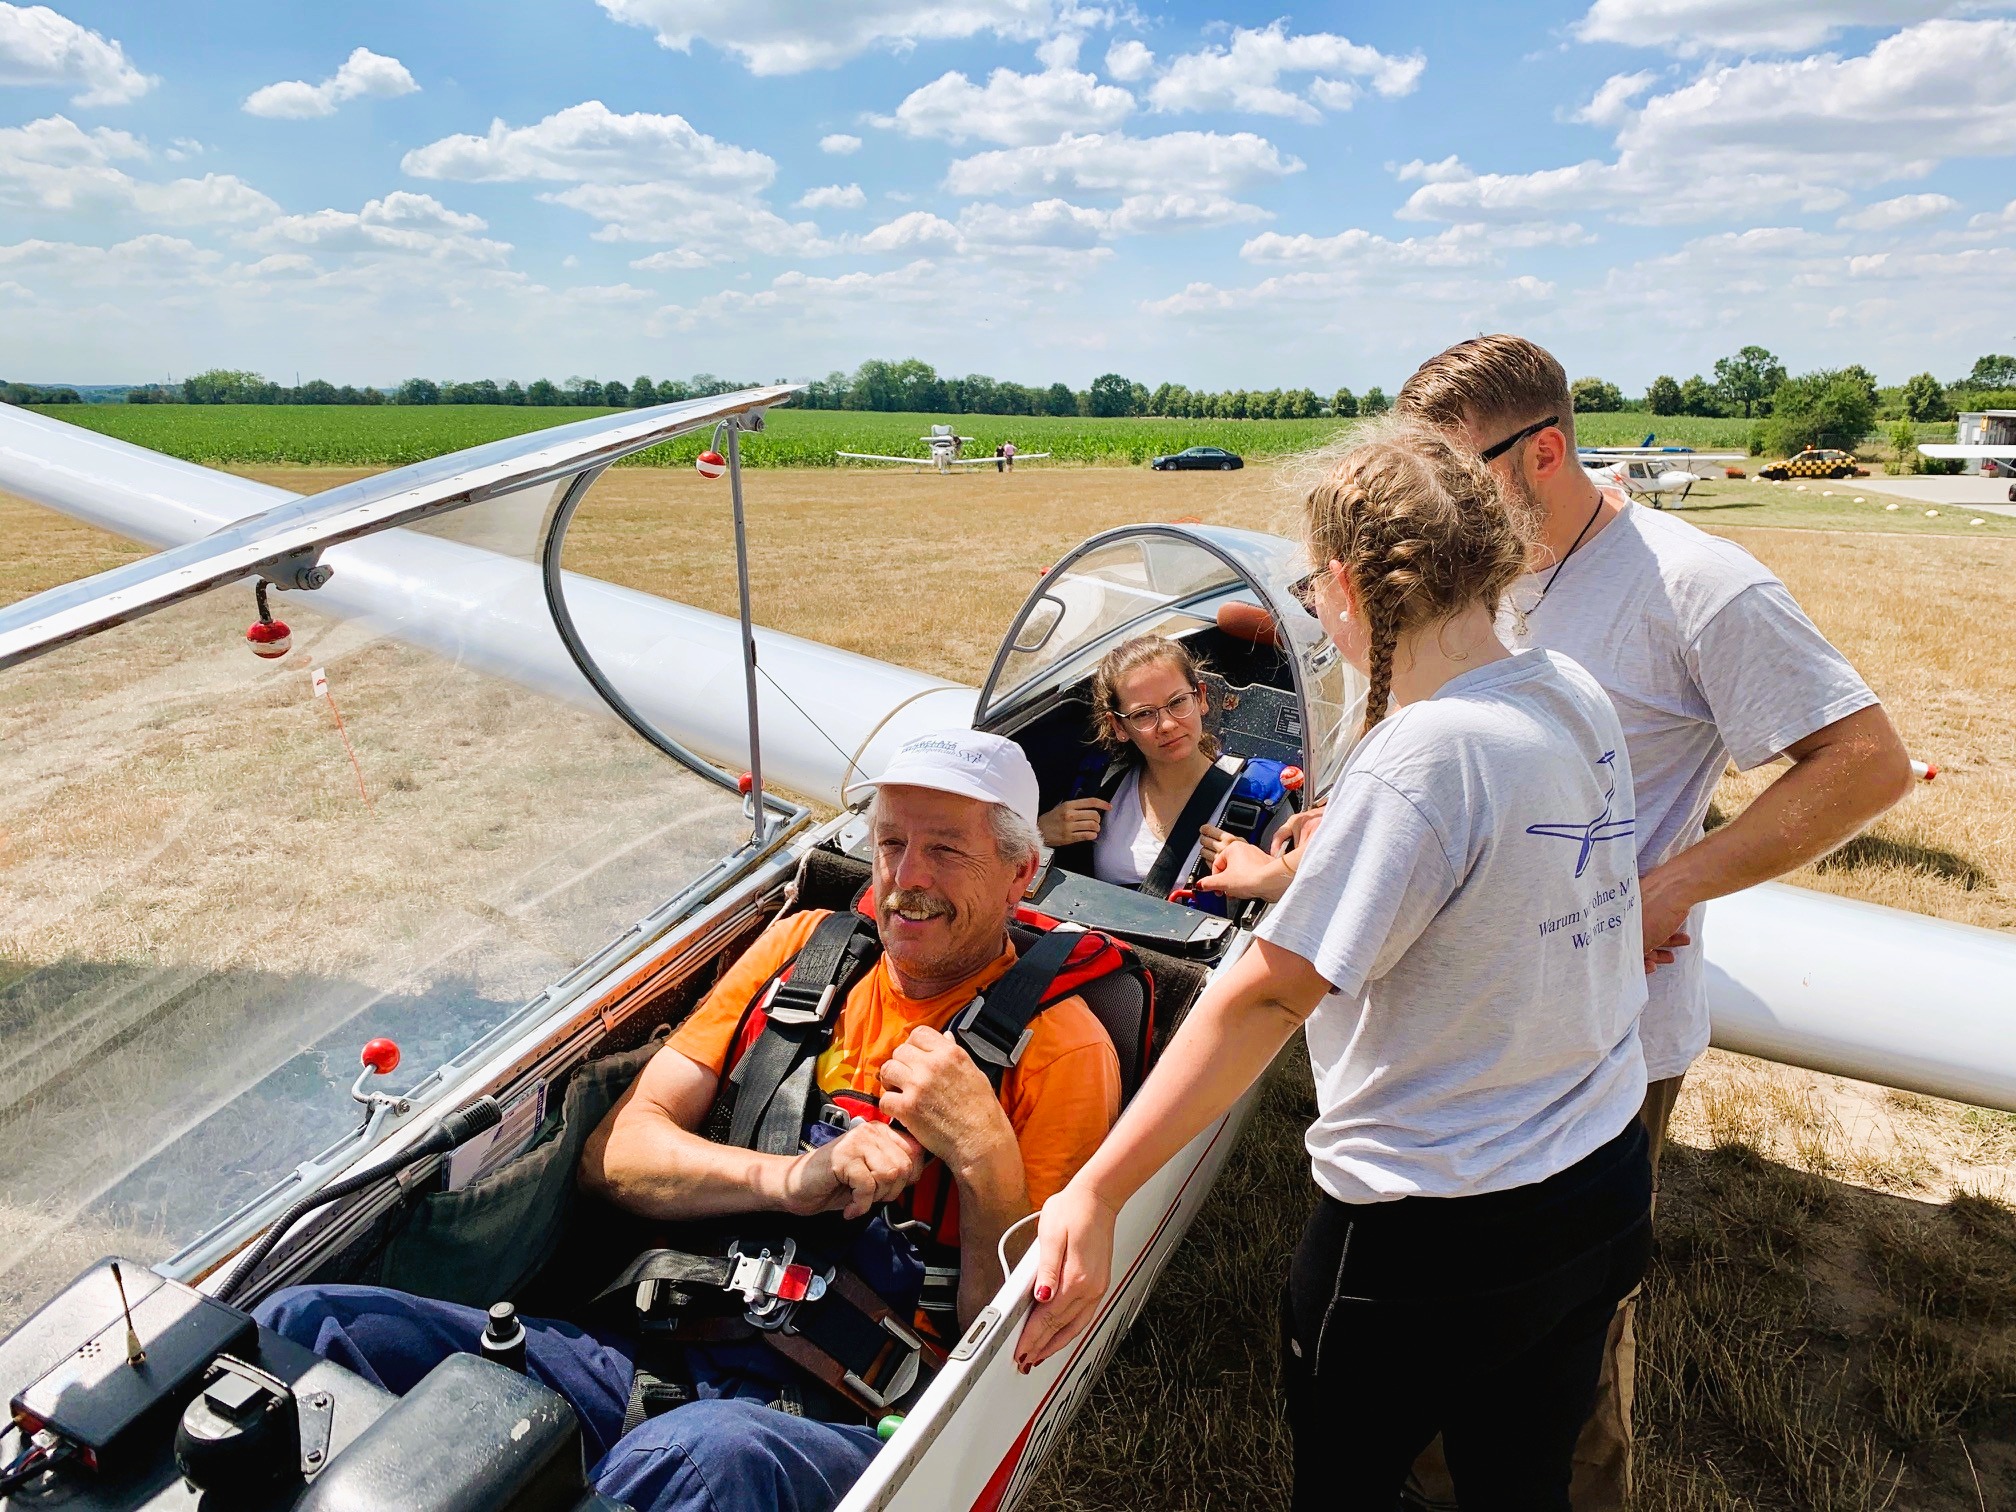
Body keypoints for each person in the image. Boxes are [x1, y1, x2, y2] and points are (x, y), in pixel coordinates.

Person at [1017, 424, 1654, 1511]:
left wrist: (1097, 1190)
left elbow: (1268, 996)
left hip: (1438, 1228)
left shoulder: (1425, 754)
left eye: (1315, 586)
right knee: (1522, 1486)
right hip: (1600, 1178)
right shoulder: (1566, 688)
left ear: (1350, 584)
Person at [257, 730, 1122, 1512]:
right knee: (311, 1326)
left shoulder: (1062, 1050)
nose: (908, 878)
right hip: (644, 1357)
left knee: (698, 1461)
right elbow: (615, 1156)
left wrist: (983, 1155)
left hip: (846, 1411)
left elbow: (1003, 1347)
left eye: (946, 850)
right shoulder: (806, 952)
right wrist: (789, 1180)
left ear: (1021, 874)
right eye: (891, 843)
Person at [1392, 335, 1913, 1509]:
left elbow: (1866, 761)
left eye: (1457, 471)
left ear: (1545, 451)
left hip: (1603, 1030)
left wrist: (1672, 887)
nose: (1434, 501)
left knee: (1562, 1341)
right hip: (1457, 1013)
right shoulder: (1477, 567)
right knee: (1435, 1304)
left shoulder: (1696, 582)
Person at [1037, 634, 1243, 892]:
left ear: (1200, 698)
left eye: (1178, 702)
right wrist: (1037, 835)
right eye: (1143, 714)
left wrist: (1260, 875)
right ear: (1118, 726)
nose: (1167, 725)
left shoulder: (1253, 799)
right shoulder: (1098, 788)